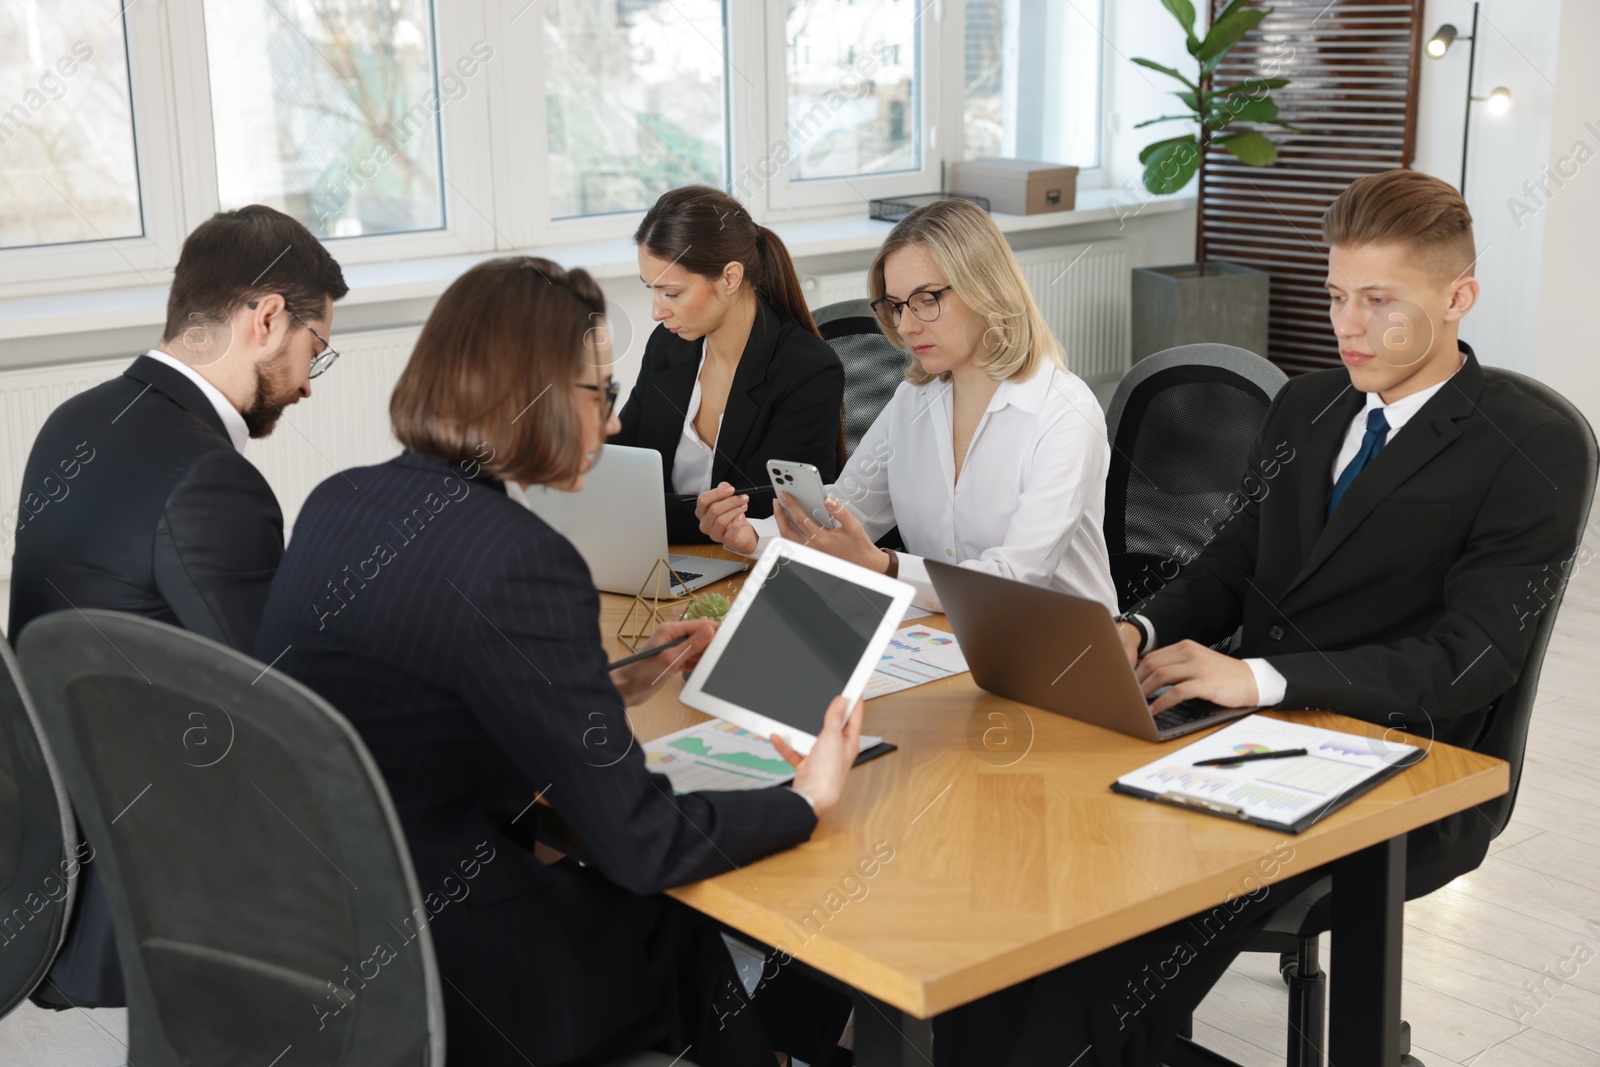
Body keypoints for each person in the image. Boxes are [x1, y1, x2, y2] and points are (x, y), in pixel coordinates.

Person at [254, 257, 860, 1067]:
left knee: (671, 929)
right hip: (453, 964)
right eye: (599, 394)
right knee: (666, 903)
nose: (612, 425)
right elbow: (643, 841)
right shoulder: (520, 557)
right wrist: (808, 798)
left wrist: (613, 681)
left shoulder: (340, 499)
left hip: (320, 927)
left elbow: (417, 702)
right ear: (532, 392)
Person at [1118, 168, 1588, 901]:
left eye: (1379, 301)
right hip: (1251, 735)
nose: (1347, 325)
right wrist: (1140, 629)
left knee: (1125, 913)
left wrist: (1259, 678)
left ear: (1458, 297)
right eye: (1338, 296)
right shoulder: (1306, 403)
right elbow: (1234, 561)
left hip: (1400, 759)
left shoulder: (1531, 446)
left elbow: (1471, 661)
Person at [8, 203, 347, 1009]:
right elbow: (291, 711)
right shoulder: (209, 477)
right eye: (315, 353)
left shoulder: (77, 418)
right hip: (152, 875)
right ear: (266, 318)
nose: (305, 385)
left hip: (52, 836)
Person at [695, 196, 1117, 614]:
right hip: (940, 635)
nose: (906, 325)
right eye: (896, 306)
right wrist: (751, 535)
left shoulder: (1065, 412)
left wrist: (884, 565)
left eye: (927, 299)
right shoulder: (913, 400)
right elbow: (846, 511)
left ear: (986, 289)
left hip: (1059, 649)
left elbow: (1016, 580)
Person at [611, 185, 845, 543]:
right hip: (670, 557)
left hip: (756, 567)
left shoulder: (806, 369)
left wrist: (649, 511)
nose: (657, 312)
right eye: (652, 290)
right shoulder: (667, 347)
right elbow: (621, 465)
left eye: (671, 293)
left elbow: (767, 513)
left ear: (730, 278)